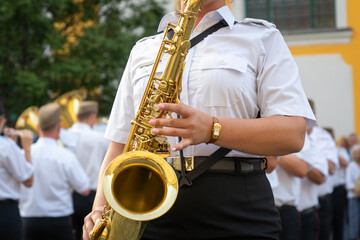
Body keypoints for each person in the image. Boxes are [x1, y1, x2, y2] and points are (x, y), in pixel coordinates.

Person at [83, 1, 316, 239]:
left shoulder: (263, 38)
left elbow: (293, 134)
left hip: (238, 205)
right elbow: (120, 142)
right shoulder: (143, 49)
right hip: (149, 206)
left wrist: (213, 129)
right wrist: (99, 210)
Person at [20, 103, 90, 240]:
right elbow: (85, 189)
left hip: (28, 220)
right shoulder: (65, 155)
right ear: (59, 127)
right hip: (58, 221)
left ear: (37, 127)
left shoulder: (23, 153)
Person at [66, 101, 110, 240]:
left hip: (67, 196)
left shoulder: (65, 135)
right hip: (93, 195)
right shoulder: (100, 138)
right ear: (92, 116)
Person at [0, 102, 34, 240]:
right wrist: (26, 148)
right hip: (5, 212)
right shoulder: (6, 146)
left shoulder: (8, 146)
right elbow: (28, 180)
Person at [272, 142, 310, 240]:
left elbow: (302, 170)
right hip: (259, 208)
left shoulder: (296, 132)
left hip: (285, 211)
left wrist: (271, 148)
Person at [345, 144, 360, 240]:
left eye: (358, 153)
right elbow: (348, 183)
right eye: (355, 153)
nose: (357, 155)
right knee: (354, 218)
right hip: (353, 196)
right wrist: (356, 190)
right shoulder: (350, 166)